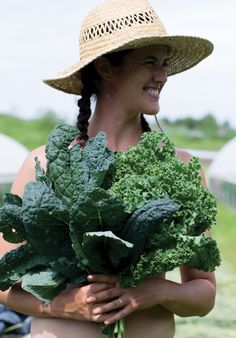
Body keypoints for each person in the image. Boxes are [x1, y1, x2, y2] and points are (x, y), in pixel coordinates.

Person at [0, 0, 216, 337]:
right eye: (149, 62)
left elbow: (203, 293)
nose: (162, 75)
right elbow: (4, 286)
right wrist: (68, 303)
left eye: (163, 64)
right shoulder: (44, 162)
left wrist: (157, 292)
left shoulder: (180, 167)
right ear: (105, 67)